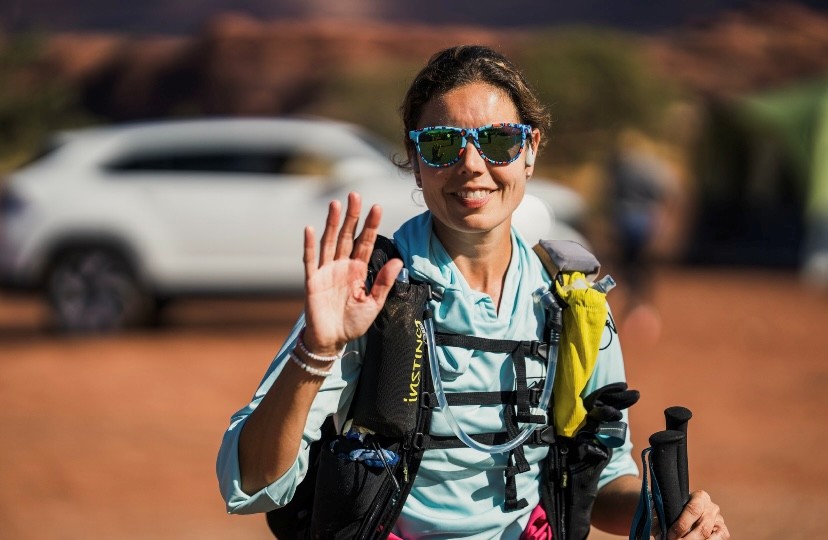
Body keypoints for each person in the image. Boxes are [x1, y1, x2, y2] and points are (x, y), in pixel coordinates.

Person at [217, 45, 728, 539]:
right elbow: (252, 482)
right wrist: (315, 351)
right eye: (442, 144)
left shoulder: (573, 301)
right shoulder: (370, 290)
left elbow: (606, 480)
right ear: (416, 159)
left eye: (499, 141)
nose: (471, 164)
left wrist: (669, 515)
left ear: (530, 150)